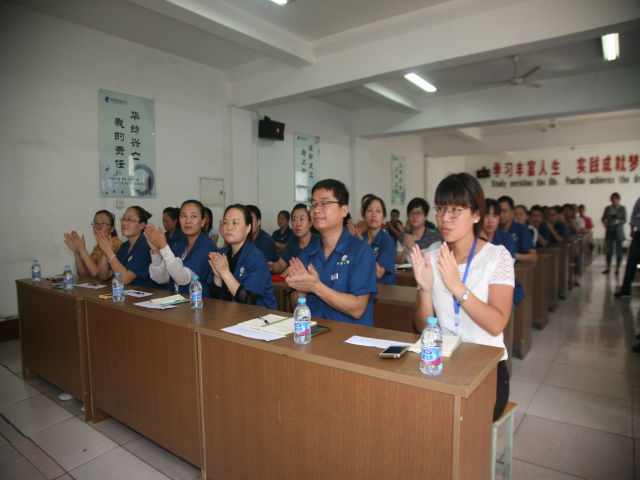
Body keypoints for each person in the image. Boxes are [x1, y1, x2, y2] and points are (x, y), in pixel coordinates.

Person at [411, 173, 513, 421]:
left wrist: (458, 287)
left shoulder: (497, 257)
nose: (445, 218)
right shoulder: (433, 255)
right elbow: (422, 326)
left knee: (458, 418)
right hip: (441, 359)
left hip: (486, 368)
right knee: (412, 407)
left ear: (476, 215)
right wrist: (425, 290)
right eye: (441, 209)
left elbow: (497, 323)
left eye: (455, 210)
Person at [286, 179, 378, 326]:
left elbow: (358, 309)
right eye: (314, 204)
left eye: (324, 203)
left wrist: (316, 287)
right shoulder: (307, 253)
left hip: (351, 341)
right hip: (315, 337)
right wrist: (301, 289)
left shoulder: (361, 251)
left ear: (344, 210)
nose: (316, 209)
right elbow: (296, 304)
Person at [208, 205, 277, 309]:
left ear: (248, 228)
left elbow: (248, 301)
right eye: (226, 223)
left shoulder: (256, 258)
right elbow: (213, 297)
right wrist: (217, 277)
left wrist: (225, 273)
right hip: (229, 316)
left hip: (259, 319)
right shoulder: (222, 254)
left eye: (235, 223)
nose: (229, 227)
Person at [147, 200, 218, 297]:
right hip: (175, 301)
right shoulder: (180, 243)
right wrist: (155, 251)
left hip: (196, 303)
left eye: (193, 216)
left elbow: (182, 278)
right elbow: (161, 278)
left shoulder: (207, 245)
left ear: (203, 221)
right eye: (184, 216)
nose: (188, 221)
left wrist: (163, 247)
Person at [97, 206, 163, 288]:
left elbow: (125, 279)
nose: (124, 223)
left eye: (129, 220)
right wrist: (105, 253)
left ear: (142, 225)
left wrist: (110, 252)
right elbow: (104, 276)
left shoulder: (146, 246)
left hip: (148, 296)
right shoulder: (124, 246)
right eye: (123, 219)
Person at [481, 199, 524, 307]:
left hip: (503, 287)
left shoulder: (506, 237)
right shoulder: (472, 237)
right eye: (486, 215)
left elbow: (508, 266)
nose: (490, 221)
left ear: (499, 219)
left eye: (495, 216)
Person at [63, 210, 122, 278]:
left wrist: (82, 249)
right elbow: (84, 273)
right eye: (96, 223)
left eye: (103, 223)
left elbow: (96, 272)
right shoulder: (98, 247)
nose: (98, 227)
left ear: (112, 228)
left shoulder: (115, 244)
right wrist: (77, 252)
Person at [270, 204, 321, 277]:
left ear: (310, 223)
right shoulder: (292, 242)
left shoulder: (319, 241)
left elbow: (321, 269)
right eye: (294, 219)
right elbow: (280, 265)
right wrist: (272, 266)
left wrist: (298, 270)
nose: (297, 224)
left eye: (302, 219)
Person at [395, 198, 442, 265]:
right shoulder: (403, 236)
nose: (415, 216)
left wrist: (413, 247)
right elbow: (397, 262)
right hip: (407, 275)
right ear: (408, 216)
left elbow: (433, 263)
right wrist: (405, 251)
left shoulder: (434, 237)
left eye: (419, 213)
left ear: (426, 216)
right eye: (412, 213)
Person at [361, 196, 396, 285]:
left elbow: (378, 273)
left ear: (383, 218)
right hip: (362, 288)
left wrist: (363, 245)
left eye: (378, 211)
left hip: (384, 291)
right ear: (364, 216)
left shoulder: (387, 241)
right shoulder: (359, 238)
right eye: (370, 210)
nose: (374, 215)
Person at [498, 196, 537, 263]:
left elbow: (533, 257)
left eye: (504, 211)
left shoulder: (522, 229)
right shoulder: (493, 229)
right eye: (499, 211)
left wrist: (510, 255)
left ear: (513, 212)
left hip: (517, 269)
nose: (501, 215)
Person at [616, 196, 640, 299]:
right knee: (631, 261)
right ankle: (625, 289)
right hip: (639, 234)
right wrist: (632, 229)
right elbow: (635, 214)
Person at [602, 193, 627, 275]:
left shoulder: (622, 208)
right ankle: (608, 267)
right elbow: (603, 218)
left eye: (616, 198)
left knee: (619, 251)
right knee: (609, 250)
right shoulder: (608, 208)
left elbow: (624, 220)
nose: (614, 200)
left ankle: (617, 268)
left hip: (618, 230)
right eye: (613, 198)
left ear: (619, 199)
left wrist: (617, 221)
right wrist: (606, 225)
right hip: (610, 230)